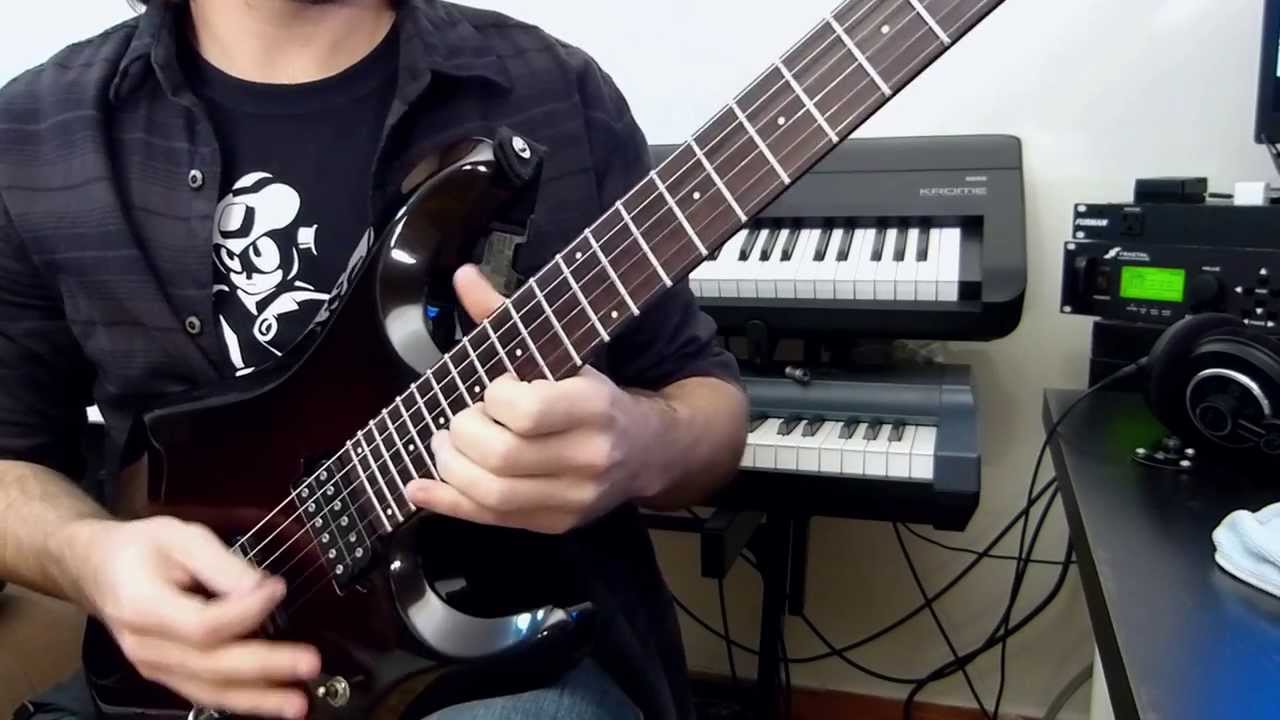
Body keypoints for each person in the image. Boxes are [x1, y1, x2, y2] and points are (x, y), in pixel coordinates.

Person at [0, 1, 748, 719]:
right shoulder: (37, 131)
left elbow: (701, 395)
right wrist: (90, 558)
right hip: (183, 687)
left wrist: (644, 444)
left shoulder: (550, 88)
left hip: (501, 669)